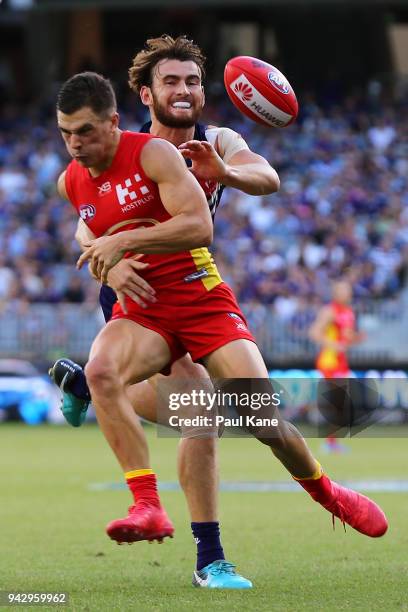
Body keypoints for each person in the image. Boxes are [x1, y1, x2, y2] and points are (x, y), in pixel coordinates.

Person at [54, 40, 387, 591]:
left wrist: (224, 172)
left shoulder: (218, 141)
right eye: (170, 82)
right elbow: (86, 220)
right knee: (199, 414)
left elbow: (268, 179)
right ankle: (210, 558)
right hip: (136, 298)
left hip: (195, 286)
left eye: (192, 81)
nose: (183, 90)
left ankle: (327, 494)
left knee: (256, 413)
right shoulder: (121, 146)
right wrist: (110, 268)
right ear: (146, 94)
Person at [309, 280, 366, 452]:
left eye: (348, 290)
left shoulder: (349, 312)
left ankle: (331, 441)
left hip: (341, 362)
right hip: (329, 362)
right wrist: (334, 345)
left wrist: (356, 338)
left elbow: (346, 338)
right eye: (344, 290)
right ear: (335, 293)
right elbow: (314, 333)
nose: (348, 293)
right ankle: (329, 442)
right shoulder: (329, 311)